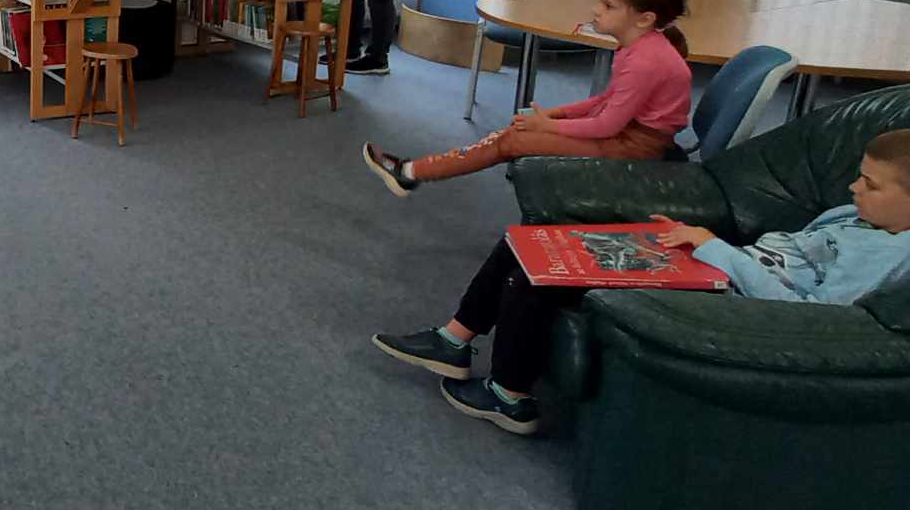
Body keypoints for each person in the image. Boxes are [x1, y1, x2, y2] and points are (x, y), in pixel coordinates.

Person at [371, 129, 910, 435]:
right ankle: (454, 340)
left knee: (542, 276)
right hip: (715, 262)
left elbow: (812, 315)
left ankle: (509, 396)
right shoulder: (857, 218)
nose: (852, 187)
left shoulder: (890, 254)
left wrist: (713, 248)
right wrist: (706, 246)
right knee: (533, 242)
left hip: (732, 299)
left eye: (870, 183)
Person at [362, 0, 692, 195]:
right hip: (625, 131)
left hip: (635, 145)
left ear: (645, 19)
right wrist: (556, 115)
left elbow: (607, 125)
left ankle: (409, 173)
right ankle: (413, 170)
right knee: (519, 129)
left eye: (607, 6)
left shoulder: (646, 60)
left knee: (513, 141)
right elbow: (607, 100)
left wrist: (548, 126)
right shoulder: (637, 47)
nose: (596, 11)